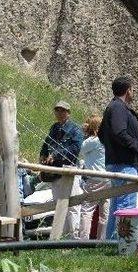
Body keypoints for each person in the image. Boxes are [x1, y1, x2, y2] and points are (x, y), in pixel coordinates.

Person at [98, 76, 138, 239]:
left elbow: (101, 135)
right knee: (126, 206)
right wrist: (136, 146)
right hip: (124, 164)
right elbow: (119, 132)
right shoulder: (119, 108)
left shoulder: (113, 107)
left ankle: (112, 243)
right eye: (132, 89)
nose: (133, 92)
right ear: (128, 90)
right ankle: (121, 244)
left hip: (118, 163)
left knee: (118, 205)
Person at [39, 100, 83, 239]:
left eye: (63, 110)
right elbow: (47, 142)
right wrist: (43, 154)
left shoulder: (75, 129)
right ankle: (60, 236)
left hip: (69, 169)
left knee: (73, 204)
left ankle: (74, 236)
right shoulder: (54, 128)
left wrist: (56, 154)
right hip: (55, 171)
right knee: (58, 203)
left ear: (68, 113)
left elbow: (75, 149)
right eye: (57, 110)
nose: (59, 113)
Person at [79, 115, 109, 240]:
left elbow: (80, 150)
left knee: (87, 209)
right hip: (107, 178)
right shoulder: (108, 139)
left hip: (94, 178)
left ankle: (83, 240)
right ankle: (101, 240)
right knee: (104, 212)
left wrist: (86, 134)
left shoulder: (93, 140)